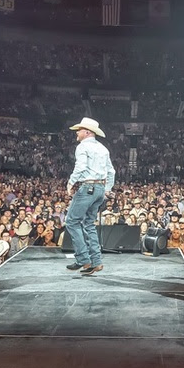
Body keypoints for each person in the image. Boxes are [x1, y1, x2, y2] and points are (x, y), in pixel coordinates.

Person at [63, 117, 115, 275]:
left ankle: (83, 259)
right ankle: (96, 262)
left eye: (79, 130)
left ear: (87, 132)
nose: (76, 133)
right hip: (100, 189)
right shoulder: (103, 149)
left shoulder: (82, 146)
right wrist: (107, 189)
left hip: (88, 187)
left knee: (71, 221)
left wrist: (70, 183)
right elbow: (111, 171)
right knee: (89, 224)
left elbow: (80, 167)